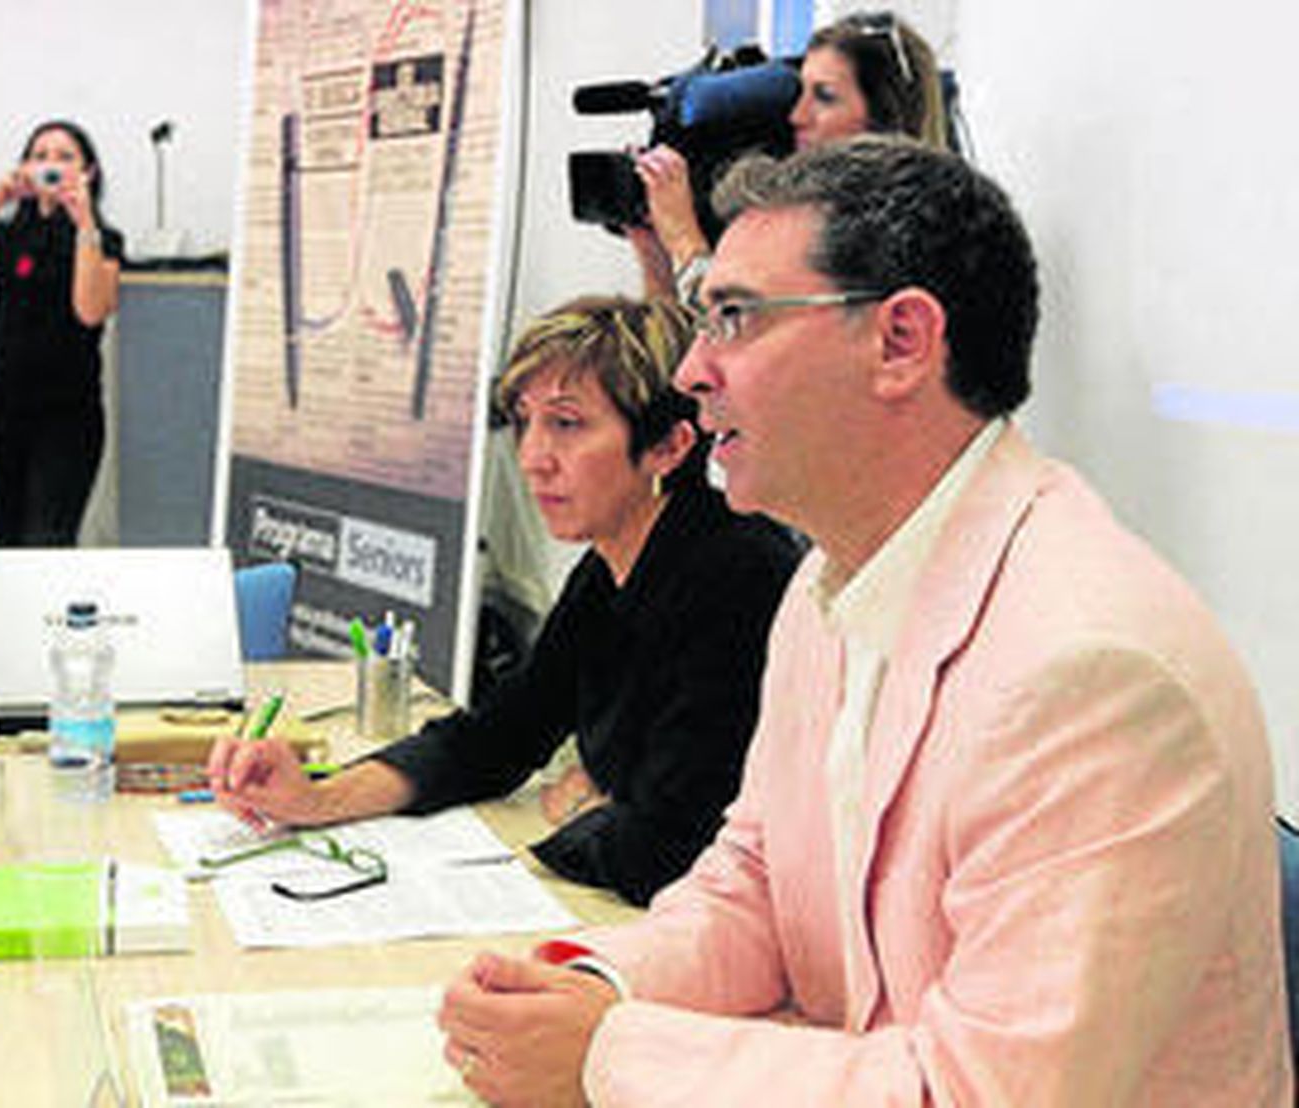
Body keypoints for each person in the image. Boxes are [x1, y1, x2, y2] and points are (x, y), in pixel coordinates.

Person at [437, 138, 1292, 1105]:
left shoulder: (1090, 667)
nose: (692, 369)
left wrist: (608, 1054)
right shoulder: (828, 583)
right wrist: (592, 987)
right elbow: (756, 884)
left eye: (733, 318)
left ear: (901, 342)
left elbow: (978, 1094)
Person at [208, 296, 802, 905]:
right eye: (524, 421)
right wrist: (317, 799)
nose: (532, 458)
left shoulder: (738, 577)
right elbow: (497, 737)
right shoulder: (610, 565)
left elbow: (670, 845)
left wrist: (583, 807)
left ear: (669, 447)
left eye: (566, 424)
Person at [631, 10, 946, 305]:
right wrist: (656, 258)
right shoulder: (808, 215)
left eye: (824, 97)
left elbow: (747, 331)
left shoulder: (900, 235)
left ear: (886, 117)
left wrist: (685, 242)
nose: (797, 116)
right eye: (799, 93)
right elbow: (691, 345)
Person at [0, 119, 124, 547]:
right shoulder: (9, 235)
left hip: (66, 415)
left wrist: (85, 224)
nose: (51, 165)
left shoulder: (104, 240)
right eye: (40, 156)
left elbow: (90, 311)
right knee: (6, 543)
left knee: (48, 542)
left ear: (88, 172)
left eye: (64, 156)